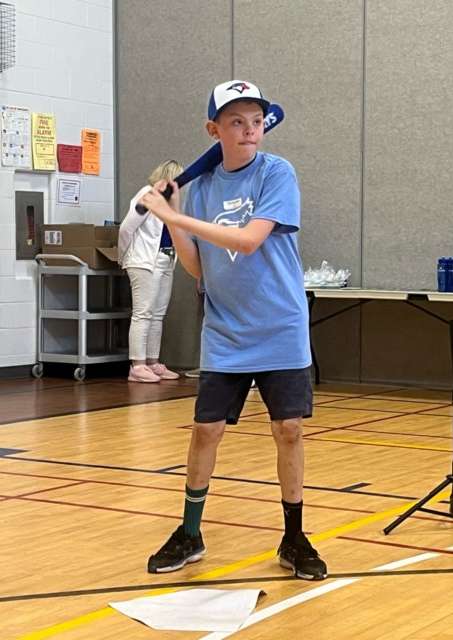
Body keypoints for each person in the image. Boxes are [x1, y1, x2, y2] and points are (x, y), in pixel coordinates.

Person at [138, 80, 326, 580]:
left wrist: (176, 216)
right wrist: (175, 217)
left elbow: (246, 242)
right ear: (213, 129)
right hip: (225, 330)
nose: (249, 131)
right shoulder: (201, 189)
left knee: (288, 430)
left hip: (280, 325)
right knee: (205, 431)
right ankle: (190, 532)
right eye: (237, 122)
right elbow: (199, 269)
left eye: (256, 121)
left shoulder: (277, 174)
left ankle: (293, 536)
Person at [119, 159, 186, 383]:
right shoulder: (147, 194)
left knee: (158, 314)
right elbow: (127, 228)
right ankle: (137, 366)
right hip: (143, 260)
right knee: (143, 312)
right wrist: (124, 257)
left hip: (166, 259)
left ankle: (152, 362)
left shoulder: (169, 202)